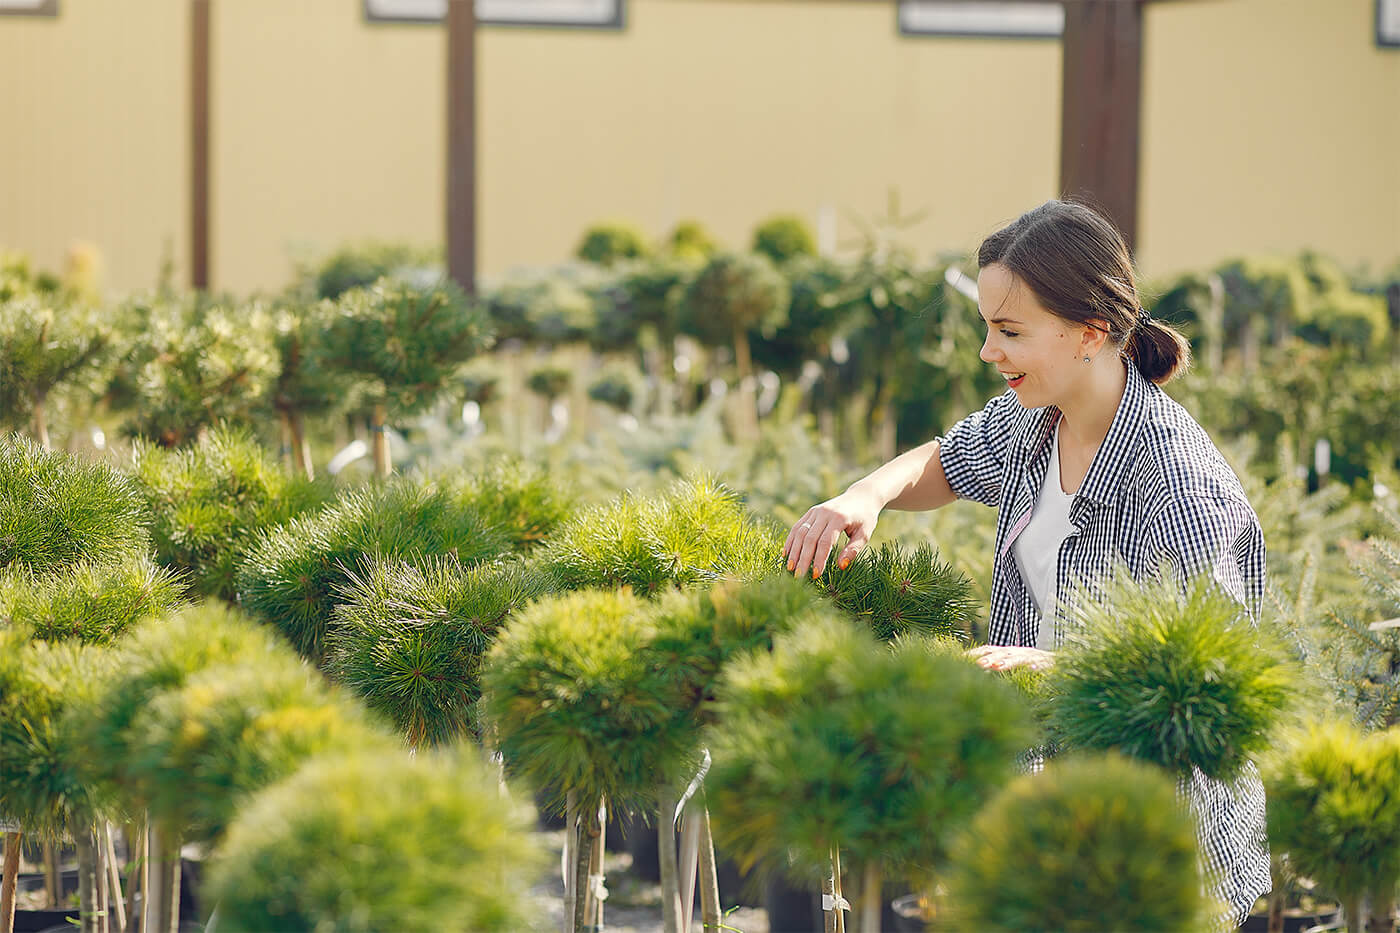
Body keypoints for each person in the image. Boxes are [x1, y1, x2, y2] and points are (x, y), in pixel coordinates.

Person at [781, 199, 1270, 928]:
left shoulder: (1180, 489)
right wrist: (864, 496)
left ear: (1090, 333)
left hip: (1157, 852)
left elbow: (1207, 688)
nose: (988, 351)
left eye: (1010, 332)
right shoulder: (1035, 417)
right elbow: (946, 460)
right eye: (987, 327)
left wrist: (1056, 666)